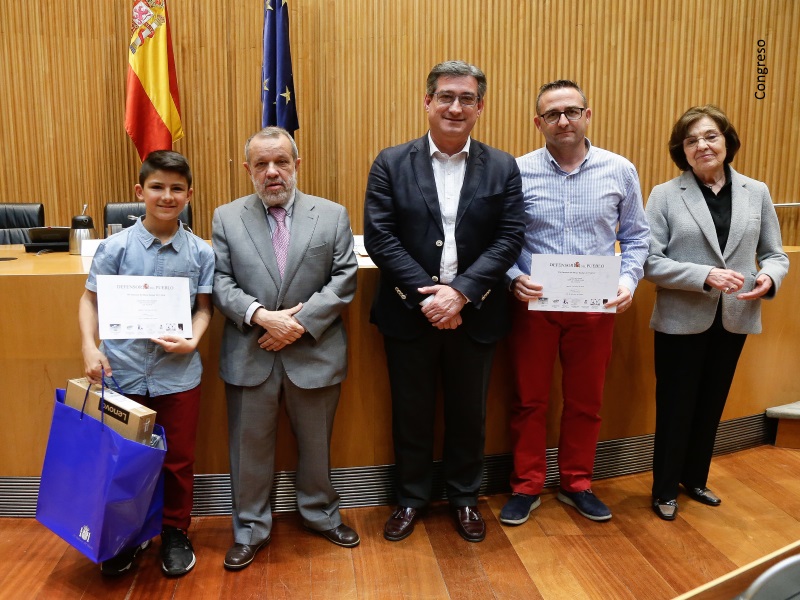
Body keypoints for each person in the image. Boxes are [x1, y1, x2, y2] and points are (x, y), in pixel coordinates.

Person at [364, 60, 525, 543]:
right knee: (410, 412)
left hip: (476, 314)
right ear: (428, 101)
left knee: (468, 414)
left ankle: (464, 498)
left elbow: (509, 237)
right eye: (447, 97)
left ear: (480, 107)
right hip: (408, 313)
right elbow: (381, 236)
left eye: (467, 99)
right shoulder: (391, 162)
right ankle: (410, 498)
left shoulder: (502, 166)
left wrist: (460, 294)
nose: (456, 107)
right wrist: (430, 299)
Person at [500, 80, 650, 525]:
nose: (562, 120)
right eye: (552, 114)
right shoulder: (517, 171)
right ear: (538, 123)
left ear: (588, 114)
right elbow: (501, 240)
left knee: (587, 400)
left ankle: (577, 482)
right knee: (529, 400)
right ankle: (527, 484)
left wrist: (628, 280)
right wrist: (512, 278)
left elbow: (637, 238)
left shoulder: (620, 169)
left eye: (571, 111)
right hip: (534, 304)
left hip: (596, 306)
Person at [213, 126, 360, 570]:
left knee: (316, 444)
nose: (272, 172)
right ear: (247, 170)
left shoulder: (332, 215)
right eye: (262, 164)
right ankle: (250, 528)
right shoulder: (226, 216)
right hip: (250, 349)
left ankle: (320, 514)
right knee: (249, 448)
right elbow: (219, 281)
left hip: (313, 351)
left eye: (281, 162)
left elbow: (345, 277)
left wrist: (296, 323)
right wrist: (261, 315)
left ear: (298, 164)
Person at [644, 105, 789, 521]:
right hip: (680, 319)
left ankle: (696, 478)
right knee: (675, 406)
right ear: (682, 151)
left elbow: (773, 253)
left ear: (727, 141)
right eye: (691, 141)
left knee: (711, 402)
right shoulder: (665, 195)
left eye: (710, 136)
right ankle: (665, 489)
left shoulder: (756, 191)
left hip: (736, 317)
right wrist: (703, 274)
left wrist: (770, 278)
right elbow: (648, 261)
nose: (702, 146)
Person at [78, 150, 215, 577]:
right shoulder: (114, 248)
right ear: (140, 192)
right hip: (122, 373)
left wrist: (193, 339)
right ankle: (127, 535)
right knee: (125, 460)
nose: (167, 196)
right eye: (157, 187)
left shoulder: (201, 253)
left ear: (189, 195)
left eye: (177, 189)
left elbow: (205, 309)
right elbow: (90, 299)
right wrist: (88, 345)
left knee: (177, 461)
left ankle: (175, 531)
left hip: (178, 377)